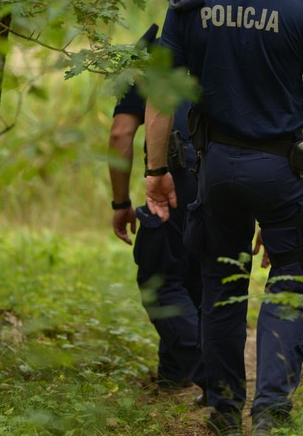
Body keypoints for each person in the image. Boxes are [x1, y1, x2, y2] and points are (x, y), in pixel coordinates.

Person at [143, 0, 303, 436]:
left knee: (221, 284)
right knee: (292, 280)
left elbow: (161, 97)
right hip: (282, 166)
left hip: (216, 167)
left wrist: (155, 170)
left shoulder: (190, 6)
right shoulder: (300, 10)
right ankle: (272, 412)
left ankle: (224, 410)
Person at [108, 25, 204, 397]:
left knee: (160, 277)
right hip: (229, 170)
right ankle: (172, 376)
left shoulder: (150, 51)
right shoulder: (231, 42)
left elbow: (120, 134)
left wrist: (120, 203)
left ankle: (212, 377)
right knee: (201, 272)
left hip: (172, 176)